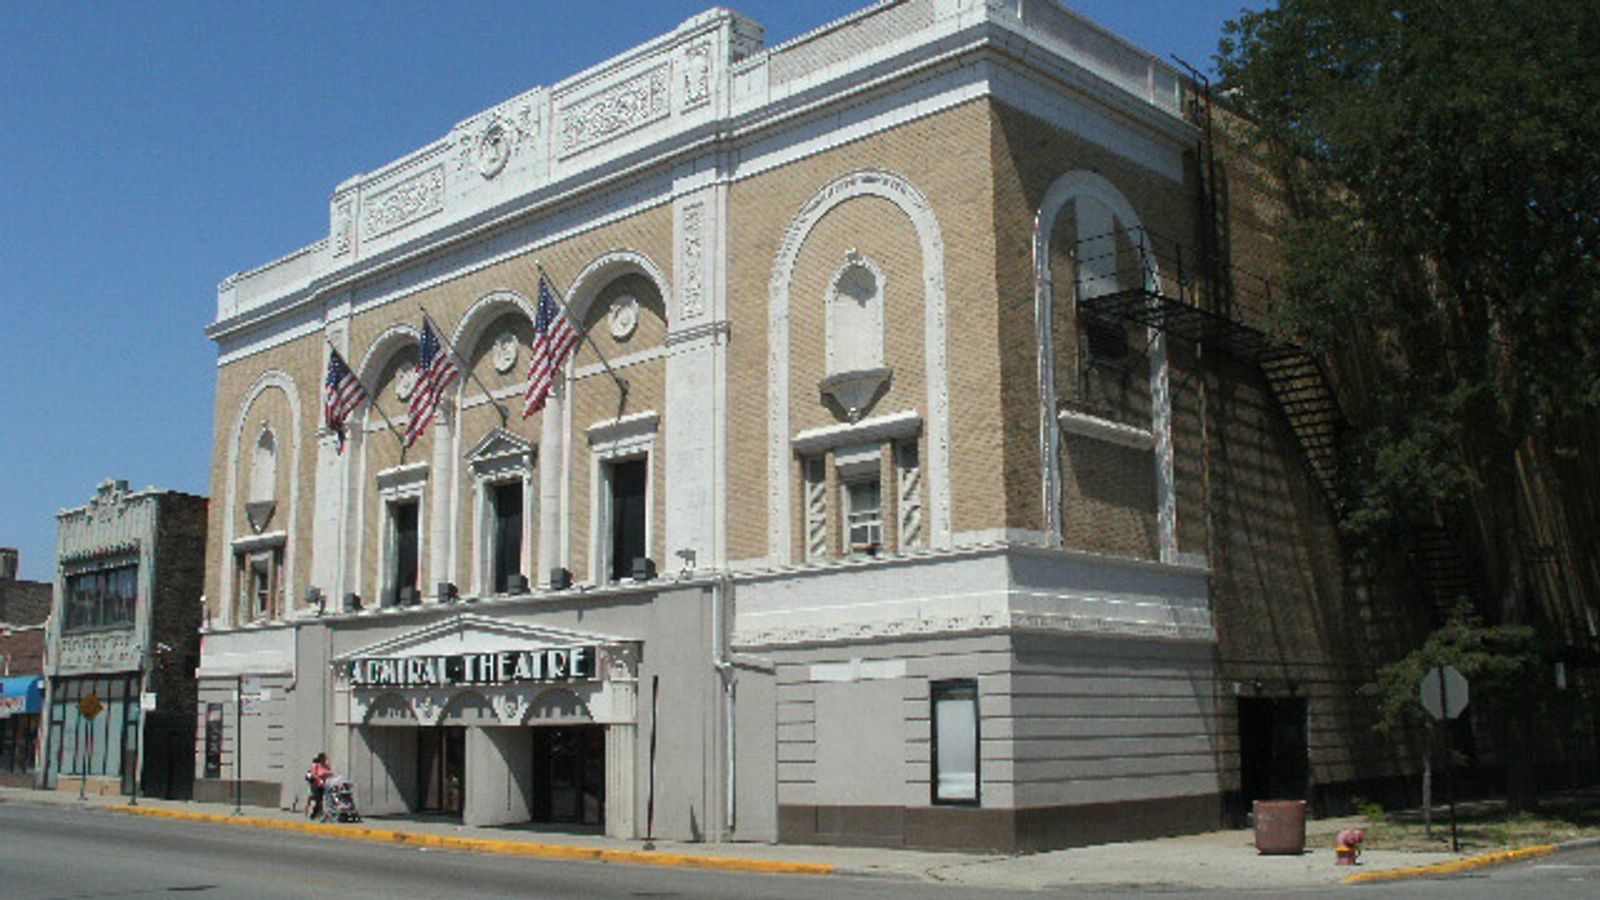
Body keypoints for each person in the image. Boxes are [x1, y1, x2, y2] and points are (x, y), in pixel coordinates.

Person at [306, 753, 333, 820]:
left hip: (325, 784)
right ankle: (317, 814)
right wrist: (319, 778)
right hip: (316, 784)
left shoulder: (326, 765)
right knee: (318, 799)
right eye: (323, 758)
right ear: (320, 759)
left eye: (325, 758)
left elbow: (330, 772)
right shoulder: (316, 766)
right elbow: (313, 775)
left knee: (323, 799)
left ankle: (316, 814)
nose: (325, 760)